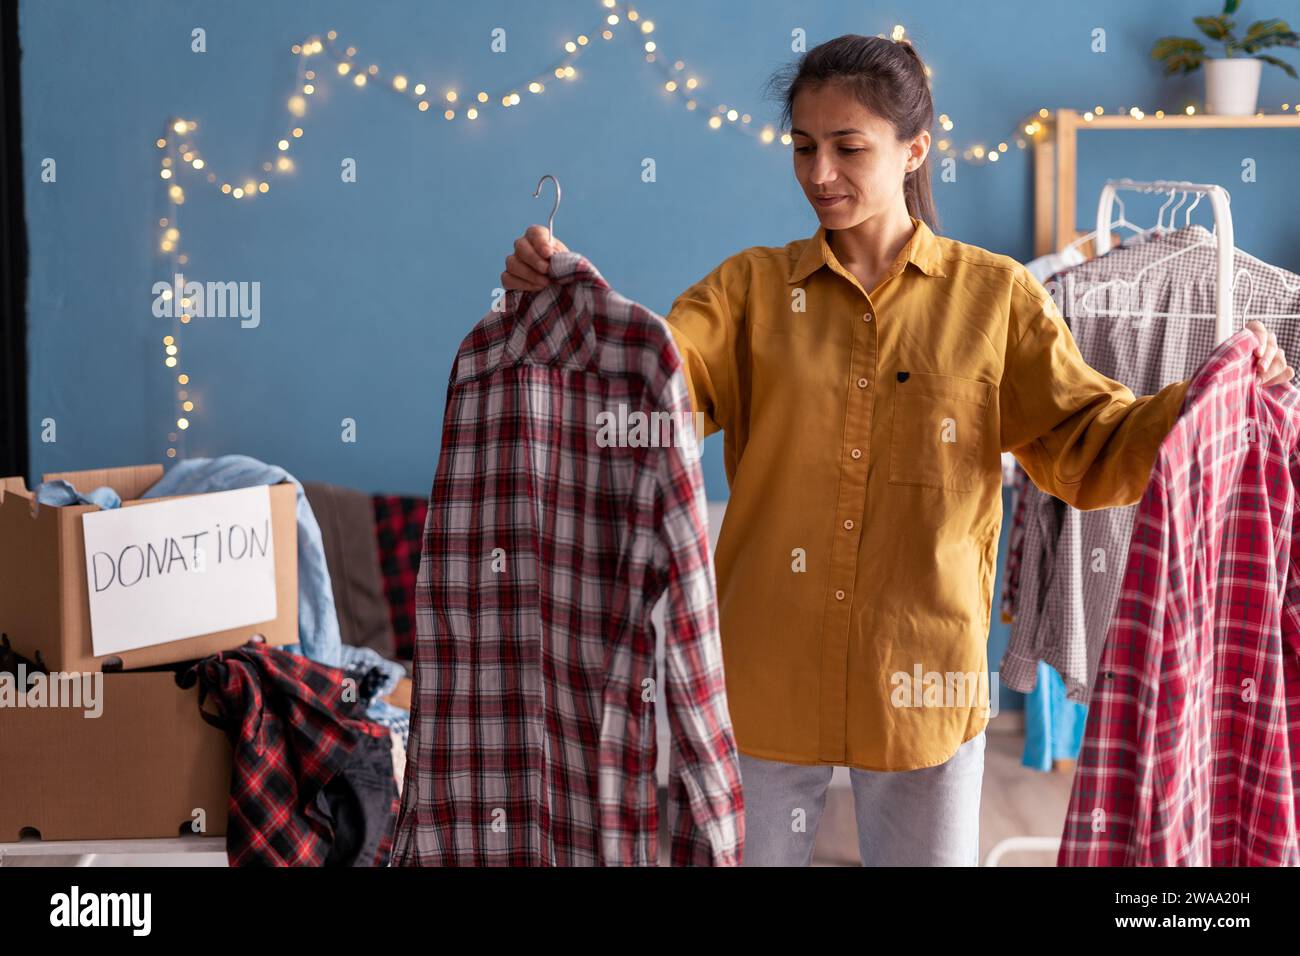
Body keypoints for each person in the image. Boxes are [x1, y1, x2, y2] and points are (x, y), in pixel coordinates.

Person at [501, 34, 1293, 866]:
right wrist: (566, 304)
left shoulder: (996, 299)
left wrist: (1209, 393)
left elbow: (1089, 442)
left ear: (915, 150)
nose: (819, 174)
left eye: (848, 148)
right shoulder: (747, 291)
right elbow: (653, 382)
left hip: (926, 681)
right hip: (761, 678)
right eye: (803, 148)